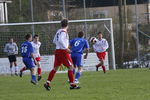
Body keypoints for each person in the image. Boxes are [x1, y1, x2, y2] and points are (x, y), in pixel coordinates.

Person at [44, 19, 80, 91]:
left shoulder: (58, 31)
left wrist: (59, 46)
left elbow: (54, 40)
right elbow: (60, 40)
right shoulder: (64, 32)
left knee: (55, 68)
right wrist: (65, 48)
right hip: (62, 51)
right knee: (71, 67)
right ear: (67, 25)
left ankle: (47, 83)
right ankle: (72, 85)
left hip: (57, 51)